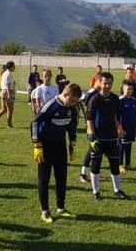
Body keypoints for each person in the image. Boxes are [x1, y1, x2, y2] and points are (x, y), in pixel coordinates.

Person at [31, 84, 82, 223]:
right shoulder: (50, 106)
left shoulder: (72, 108)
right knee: (44, 180)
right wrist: (37, 144)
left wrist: (72, 144)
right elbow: (35, 122)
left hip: (60, 146)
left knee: (62, 178)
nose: (73, 104)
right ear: (65, 95)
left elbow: (72, 127)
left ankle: (61, 207)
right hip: (45, 147)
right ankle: (45, 211)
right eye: (72, 101)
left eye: (75, 102)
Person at [86, 72, 127, 200]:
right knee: (95, 165)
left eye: (109, 83)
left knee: (115, 165)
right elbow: (89, 119)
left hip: (112, 138)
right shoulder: (95, 99)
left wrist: (119, 130)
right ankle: (96, 191)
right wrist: (92, 136)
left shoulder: (115, 99)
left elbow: (117, 117)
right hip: (98, 138)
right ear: (100, 83)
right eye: (104, 83)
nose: (107, 86)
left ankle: (117, 190)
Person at [78, 73, 102, 182]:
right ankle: (83, 174)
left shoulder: (99, 93)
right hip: (91, 126)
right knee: (92, 149)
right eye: (101, 81)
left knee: (97, 150)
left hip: (99, 125)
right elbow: (83, 101)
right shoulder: (92, 92)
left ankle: (94, 172)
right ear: (96, 81)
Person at [118, 82, 136, 173]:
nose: (129, 91)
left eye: (131, 89)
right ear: (123, 89)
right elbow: (118, 116)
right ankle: (120, 165)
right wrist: (119, 128)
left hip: (131, 127)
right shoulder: (120, 100)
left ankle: (128, 163)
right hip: (123, 127)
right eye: (127, 89)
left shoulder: (134, 100)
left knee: (129, 145)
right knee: (121, 146)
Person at [0, 62, 16, 128]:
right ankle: (9, 125)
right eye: (14, 66)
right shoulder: (8, 74)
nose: (14, 67)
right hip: (7, 92)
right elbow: (7, 85)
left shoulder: (5, 73)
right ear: (11, 67)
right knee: (10, 109)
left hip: (3, 92)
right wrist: (9, 94)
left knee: (4, 109)